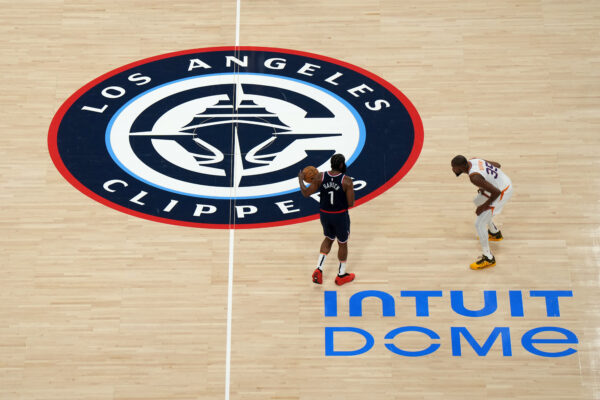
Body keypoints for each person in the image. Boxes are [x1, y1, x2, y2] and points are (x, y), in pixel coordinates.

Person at [298, 154, 355, 285]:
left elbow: (306, 193)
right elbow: (351, 203)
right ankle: (341, 275)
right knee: (342, 243)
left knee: (329, 238)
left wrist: (301, 180)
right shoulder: (346, 181)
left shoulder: (320, 176)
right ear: (341, 165)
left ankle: (319, 269)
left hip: (325, 214)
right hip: (339, 215)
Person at [451, 155, 513, 270]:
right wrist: (486, 184)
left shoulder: (474, 178)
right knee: (478, 201)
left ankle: (488, 258)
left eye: (454, 168)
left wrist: (484, 207)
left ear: (461, 167)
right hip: (504, 182)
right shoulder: (474, 160)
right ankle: (494, 233)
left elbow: (496, 193)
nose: (453, 170)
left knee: (479, 223)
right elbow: (497, 165)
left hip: (502, 191)